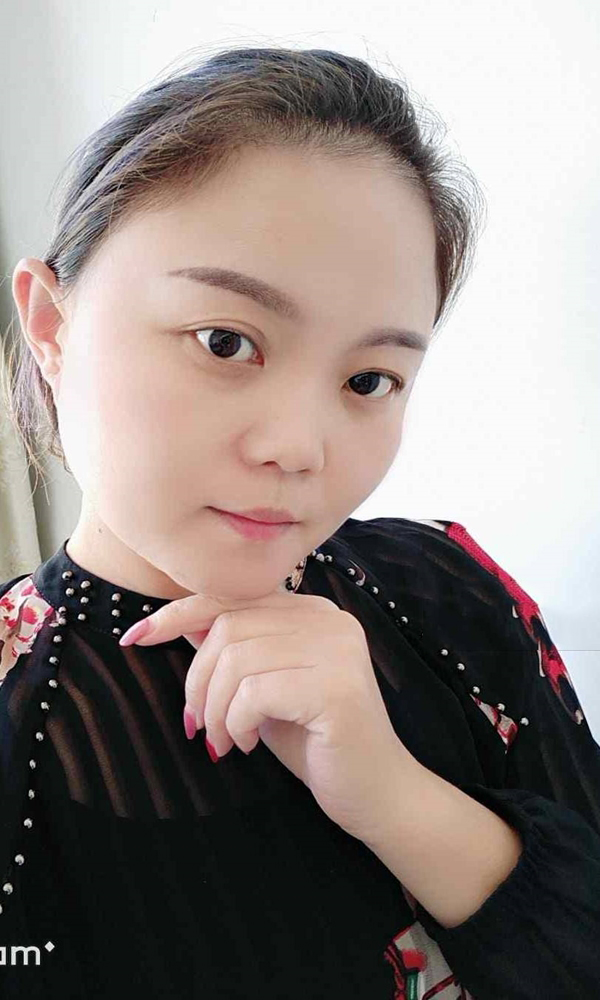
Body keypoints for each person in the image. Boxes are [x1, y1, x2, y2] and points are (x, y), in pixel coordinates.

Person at [1, 44, 599, 1000]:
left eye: (369, 380)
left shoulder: (450, 591)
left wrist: (398, 799)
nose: (299, 448)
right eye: (225, 341)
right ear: (51, 326)